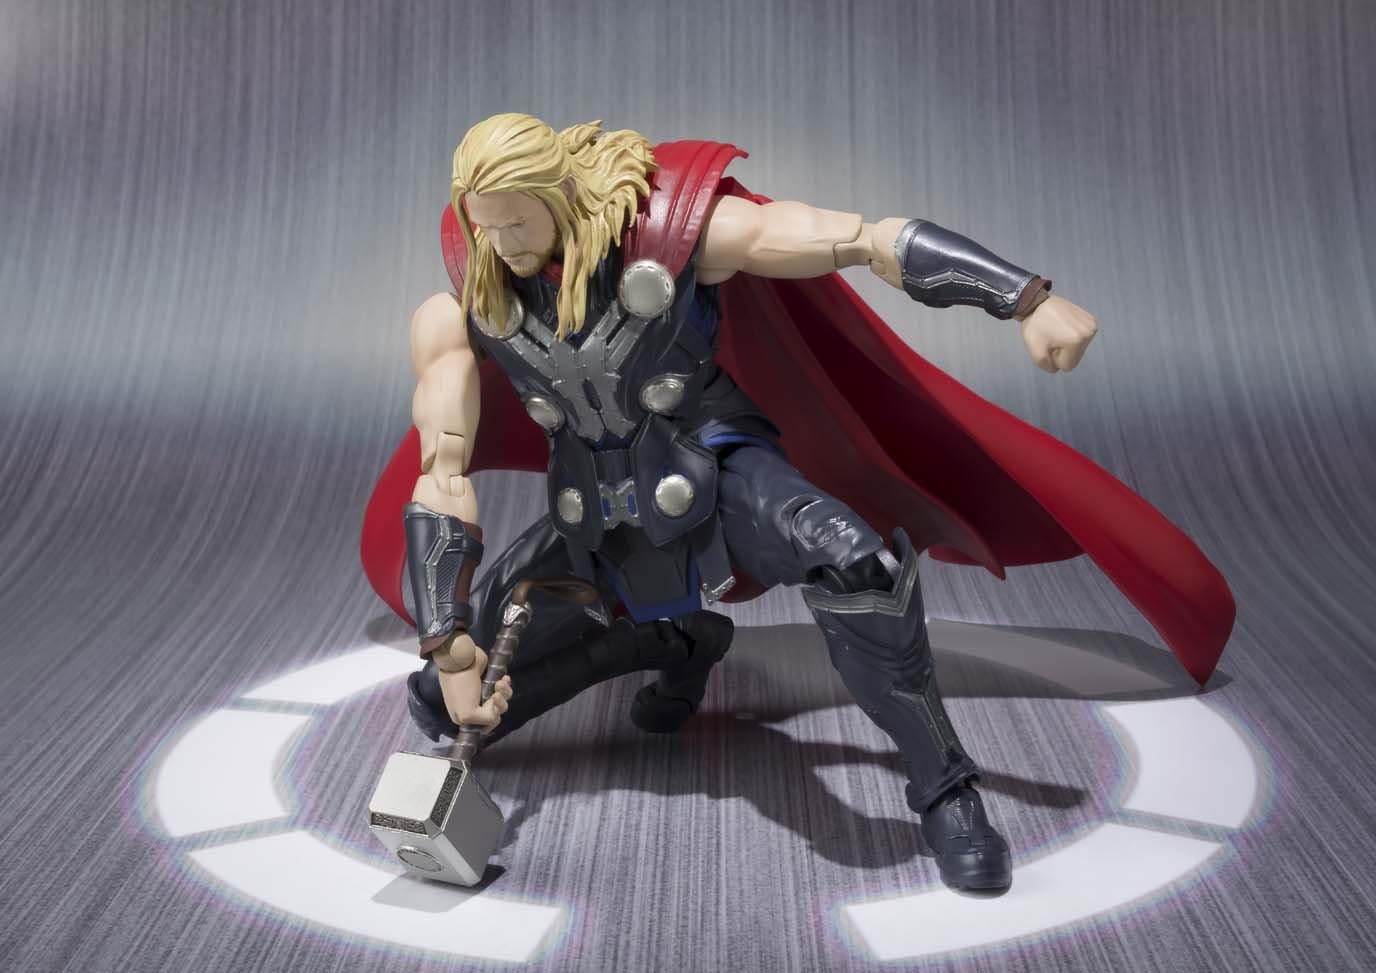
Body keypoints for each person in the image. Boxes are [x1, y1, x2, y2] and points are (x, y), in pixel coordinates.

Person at [360, 113, 1234, 893]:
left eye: (517, 221)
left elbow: (858, 238)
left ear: (560, 195)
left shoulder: (672, 235)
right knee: (437, 702)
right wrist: (449, 639)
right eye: (485, 225)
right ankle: (671, 640)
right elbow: (443, 468)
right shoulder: (463, 303)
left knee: (857, 563)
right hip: (592, 519)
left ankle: (946, 787)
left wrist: (1022, 297)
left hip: (713, 469)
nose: (502, 243)